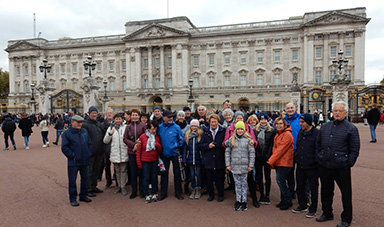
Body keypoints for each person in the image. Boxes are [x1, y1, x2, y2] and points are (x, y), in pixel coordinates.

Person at [315, 101, 360, 227]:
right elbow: (318, 144)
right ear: (332, 112)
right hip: (325, 164)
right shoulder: (325, 126)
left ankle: (346, 218)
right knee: (326, 191)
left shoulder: (351, 128)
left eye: (340, 111)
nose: (337, 113)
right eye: (335, 111)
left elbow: (354, 148)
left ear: (345, 113)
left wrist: (348, 163)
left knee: (345, 193)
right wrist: (319, 157)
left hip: (341, 166)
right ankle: (327, 213)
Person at [291, 113, 319, 218]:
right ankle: (302, 205)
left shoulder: (316, 133)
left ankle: (313, 208)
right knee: (300, 186)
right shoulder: (301, 133)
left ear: (308, 122)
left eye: (302, 122)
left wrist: (315, 161)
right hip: (301, 164)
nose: (300, 124)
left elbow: (318, 149)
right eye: (300, 122)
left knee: (313, 188)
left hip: (312, 166)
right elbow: (298, 147)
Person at [61, 115, 93, 207]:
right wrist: (73, 156)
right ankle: (73, 198)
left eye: (81, 122)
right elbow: (64, 148)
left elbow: (89, 144)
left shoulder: (84, 131)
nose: (80, 124)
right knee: (72, 180)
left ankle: (83, 195)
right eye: (78, 122)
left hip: (85, 160)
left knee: (85, 179)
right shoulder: (67, 133)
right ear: (72, 122)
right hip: (74, 161)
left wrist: (88, 153)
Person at [224, 121, 255, 211]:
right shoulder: (231, 140)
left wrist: (251, 165)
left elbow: (252, 154)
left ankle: (244, 201)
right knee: (237, 184)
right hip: (235, 166)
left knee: (244, 184)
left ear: (244, 130)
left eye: (242, 129)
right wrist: (228, 164)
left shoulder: (248, 140)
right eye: (238, 129)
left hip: (245, 166)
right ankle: (238, 200)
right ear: (236, 130)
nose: (240, 131)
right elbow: (227, 153)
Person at [157, 110, 185, 200]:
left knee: (177, 173)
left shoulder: (177, 127)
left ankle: (178, 192)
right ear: (163, 117)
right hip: (164, 153)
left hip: (174, 153)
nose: (170, 118)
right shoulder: (160, 127)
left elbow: (182, 140)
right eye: (168, 117)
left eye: (172, 117)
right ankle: (163, 192)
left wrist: (175, 146)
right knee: (164, 173)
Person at [267, 117, 294, 210]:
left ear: (284, 124)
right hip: (279, 161)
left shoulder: (287, 135)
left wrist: (270, 161)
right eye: (277, 124)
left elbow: (280, 150)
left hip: (285, 162)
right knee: (281, 181)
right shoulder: (278, 134)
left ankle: (288, 200)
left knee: (280, 180)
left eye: (280, 124)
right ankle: (284, 200)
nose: (278, 125)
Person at [199, 114, 226, 202]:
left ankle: (221, 194)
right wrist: (208, 146)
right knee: (209, 179)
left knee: (220, 179)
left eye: (215, 122)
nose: (213, 124)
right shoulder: (206, 131)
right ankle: (211, 194)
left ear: (218, 122)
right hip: (209, 159)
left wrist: (218, 145)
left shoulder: (223, 131)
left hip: (219, 158)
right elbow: (200, 145)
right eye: (212, 122)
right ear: (209, 122)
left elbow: (225, 143)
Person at [136, 120, 162, 203]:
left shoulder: (157, 137)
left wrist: (157, 145)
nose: (153, 131)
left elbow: (160, 149)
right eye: (152, 129)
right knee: (146, 177)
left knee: (154, 177)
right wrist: (139, 163)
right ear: (148, 129)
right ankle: (146, 193)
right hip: (145, 161)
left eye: (155, 129)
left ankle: (154, 192)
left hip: (154, 160)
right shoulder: (142, 137)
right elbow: (139, 151)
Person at [82, 106, 105, 197]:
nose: (94, 114)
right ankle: (88, 188)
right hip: (90, 151)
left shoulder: (99, 124)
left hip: (99, 151)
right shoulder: (85, 124)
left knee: (96, 170)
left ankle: (94, 186)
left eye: (95, 113)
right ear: (89, 114)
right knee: (89, 171)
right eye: (93, 113)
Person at [103, 113, 129, 196]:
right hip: (115, 152)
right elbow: (105, 141)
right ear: (114, 120)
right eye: (117, 119)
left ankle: (123, 186)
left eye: (120, 119)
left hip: (124, 151)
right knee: (117, 171)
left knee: (123, 170)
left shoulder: (125, 127)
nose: (118, 120)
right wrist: (109, 134)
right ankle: (118, 186)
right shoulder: (110, 128)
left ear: (122, 120)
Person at [123, 108, 146, 199]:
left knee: (141, 172)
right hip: (131, 151)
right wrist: (134, 145)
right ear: (131, 116)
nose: (134, 116)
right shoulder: (127, 127)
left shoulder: (143, 125)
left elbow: (145, 136)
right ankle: (134, 190)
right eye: (133, 115)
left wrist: (139, 144)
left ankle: (141, 190)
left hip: (141, 152)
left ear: (139, 116)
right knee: (133, 172)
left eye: (136, 115)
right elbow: (125, 139)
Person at [254, 112, 276, 205]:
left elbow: (272, 144)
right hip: (258, 157)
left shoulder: (272, 131)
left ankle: (267, 195)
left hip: (267, 157)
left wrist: (268, 154)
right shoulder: (255, 130)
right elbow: (255, 143)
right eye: (261, 119)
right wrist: (258, 154)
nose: (263, 121)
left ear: (267, 120)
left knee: (267, 177)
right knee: (259, 177)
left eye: (265, 119)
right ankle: (262, 194)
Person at [182, 119, 204, 199]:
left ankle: (198, 188)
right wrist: (184, 159)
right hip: (190, 159)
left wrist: (203, 159)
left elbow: (202, 149)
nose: (194, 127)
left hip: (198, 158)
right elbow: (185, 149)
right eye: (192, 126)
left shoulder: (200, 135)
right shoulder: (187, 136)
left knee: (198, 174)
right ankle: (194, 188)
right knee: (191, 175)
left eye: (195, 126)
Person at [284, 103, 301, 199]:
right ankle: (291, 191)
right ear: (285, 110)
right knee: (289, 174)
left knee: (300, 174)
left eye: (291, 108)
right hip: (288, 151)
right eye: (288, 108)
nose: (290, 110)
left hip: (299, 150)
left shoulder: (300, 119)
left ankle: (302, 193)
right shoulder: (284, 120)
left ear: (295, 108)